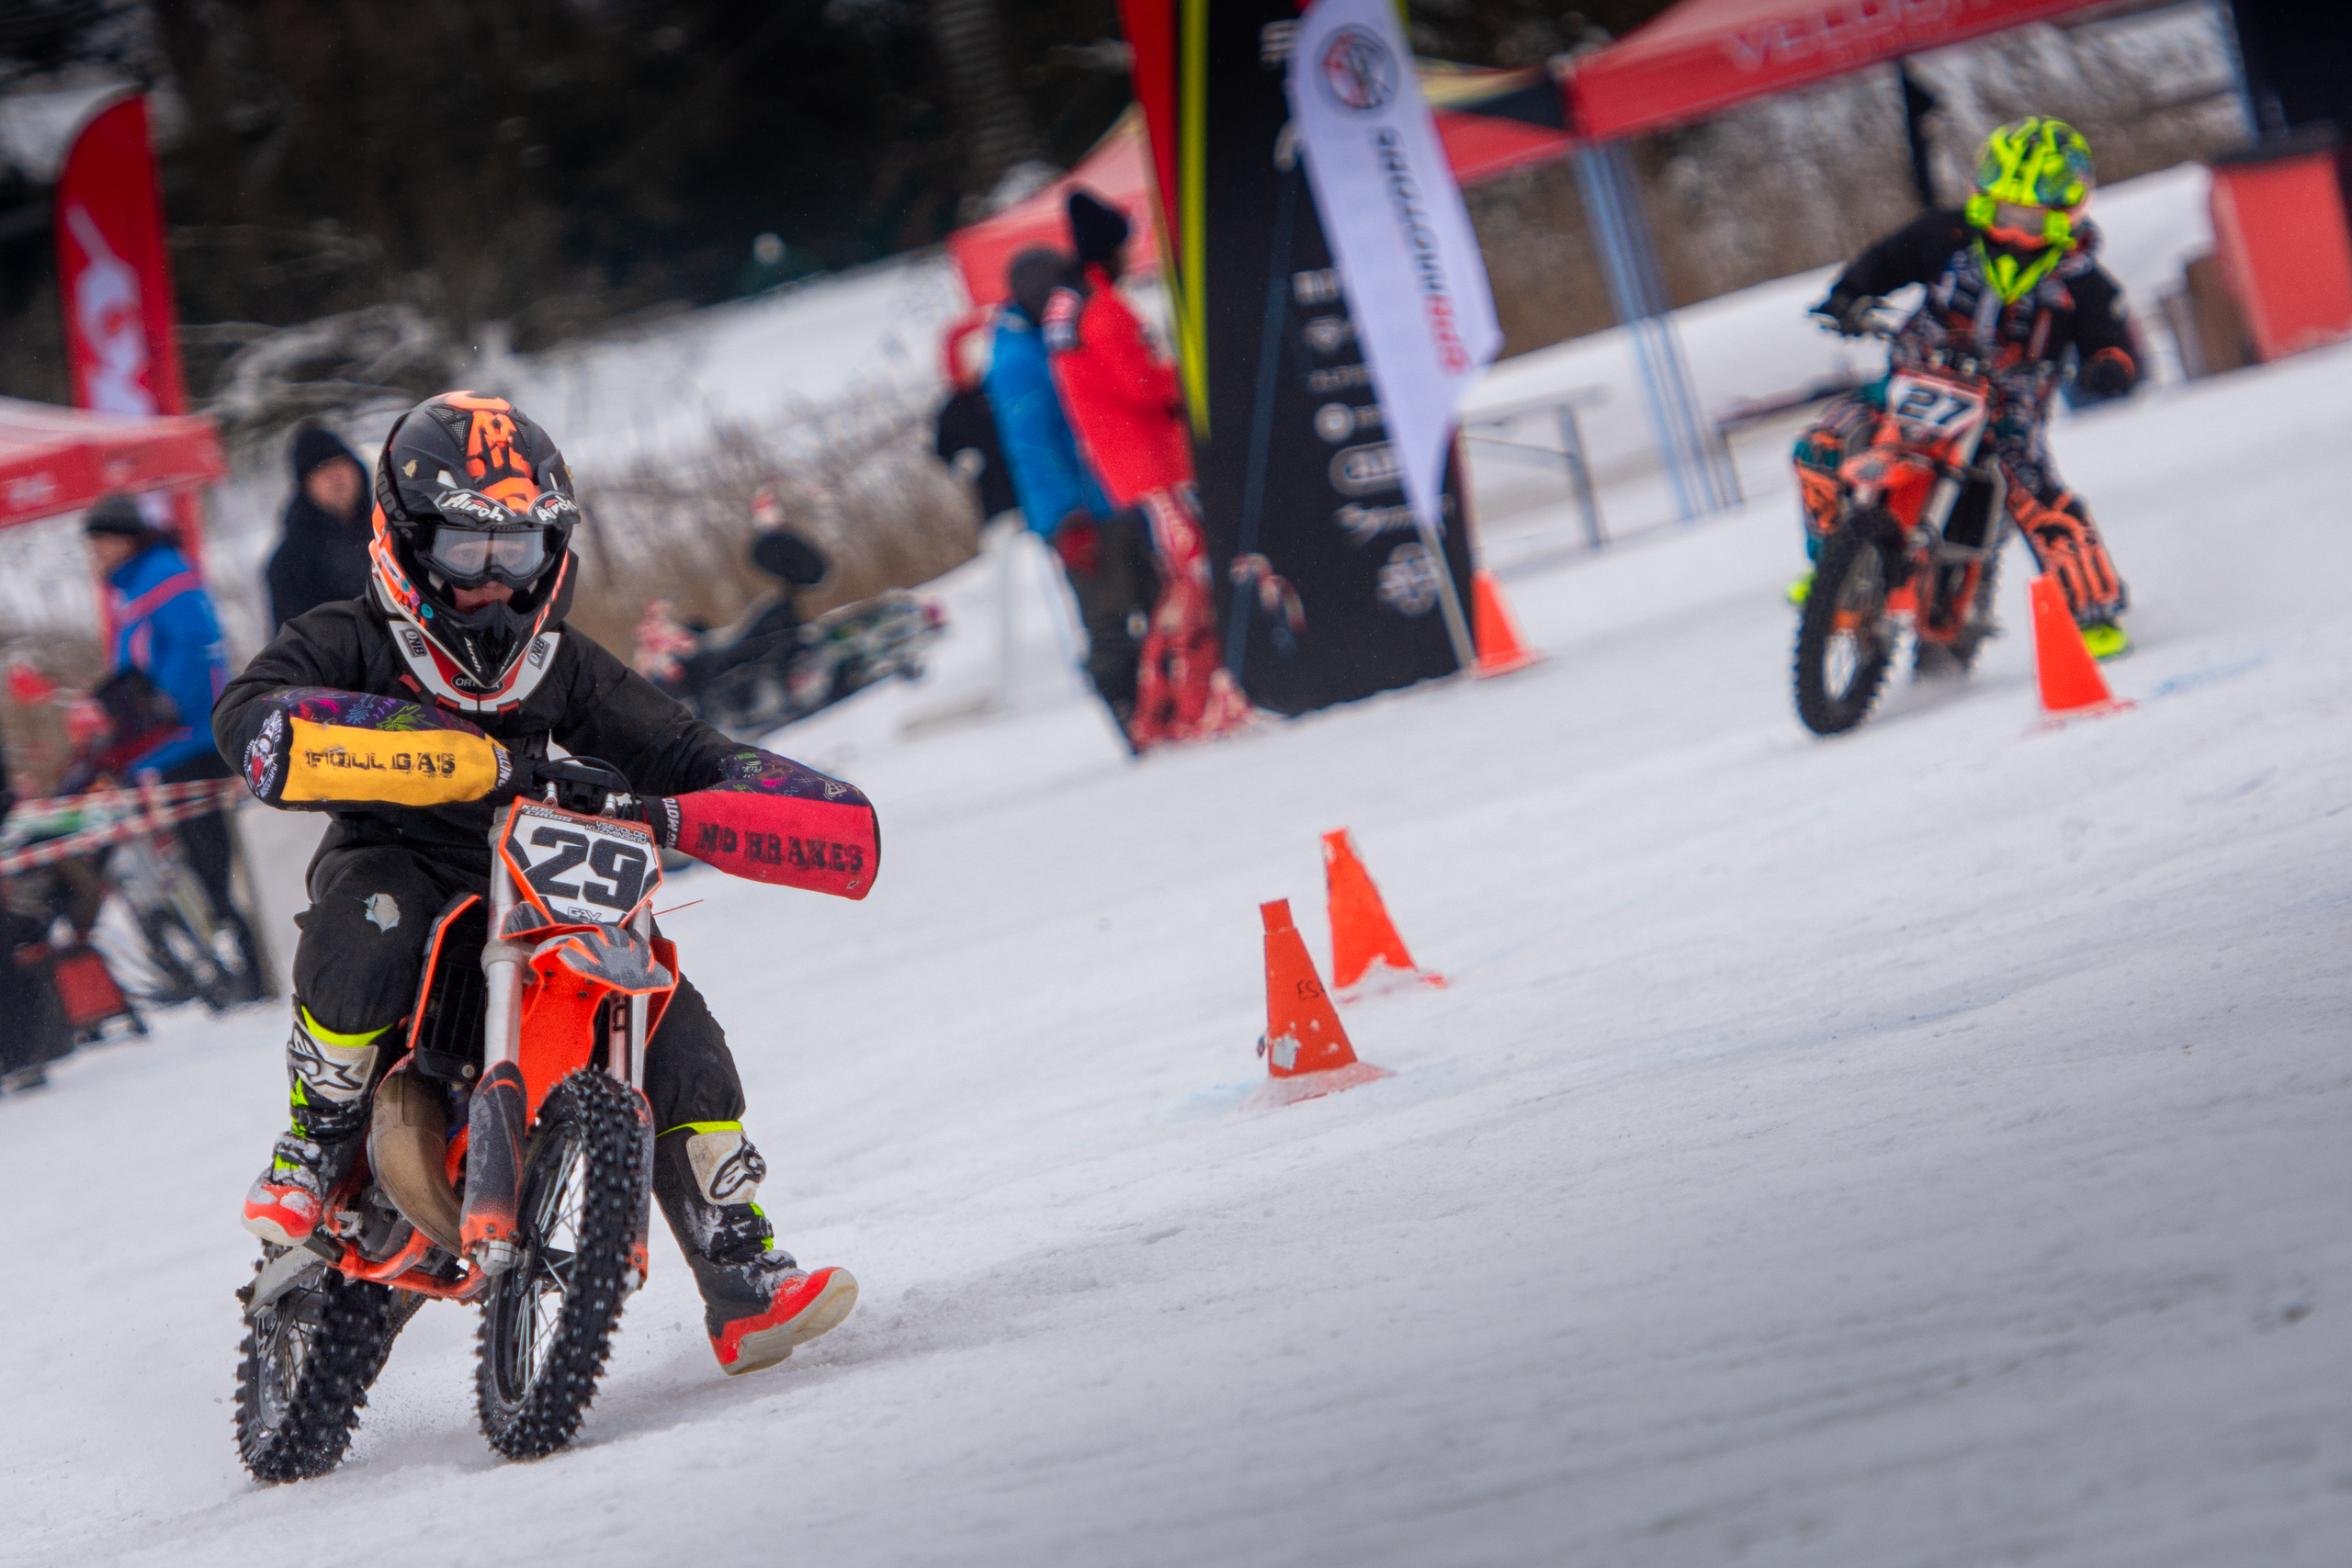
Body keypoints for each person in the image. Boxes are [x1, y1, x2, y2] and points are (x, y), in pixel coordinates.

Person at [218, 392, 873, 1375]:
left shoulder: (562, 666)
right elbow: (252, 715)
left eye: (516, 553)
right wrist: (447, 757)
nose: (490, 583)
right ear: (405, 538)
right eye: (466, 552)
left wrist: (694, 809)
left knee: (663, 1000)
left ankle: (739, 1263)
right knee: (377, 919)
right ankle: (316, 1139)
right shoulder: (347, 632)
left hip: (540, 871)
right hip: (399, 860)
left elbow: (687, 748)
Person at [1792, 117, 2137, 659]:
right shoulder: (1947, 236)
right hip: (1913, 379)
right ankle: (1831, 570)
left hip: (2006, 406)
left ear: (2067, 213)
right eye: (2004, 213)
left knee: (2039, 494)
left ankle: (2094, 609)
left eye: (2031, 218)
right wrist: (1848, 298)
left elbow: (2114, 337)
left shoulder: (2081, 279)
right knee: (1820, 444)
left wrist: (2109, 365)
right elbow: (1883, 264)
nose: (2014, 231)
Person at [1044, 189, 1248, 746]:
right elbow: (1140, 383)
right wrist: (1193, 379)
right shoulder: (1103, 307)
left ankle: (1170, 712)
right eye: (1126, 244)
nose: (1133, 254)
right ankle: (1186, 709)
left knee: (1183, 587)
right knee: (1194, 584)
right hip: (1154, 465)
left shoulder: (1069, 305)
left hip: (1127, 469)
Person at [83, 493, 262, 993]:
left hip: (195, 741)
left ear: (123, 538)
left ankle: (252, 956)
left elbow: (198, 647)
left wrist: (164, 709)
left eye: (100, 542)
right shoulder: (131, 586)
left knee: (218, 861)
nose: (95, 554)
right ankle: (240, 958)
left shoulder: (161, 573)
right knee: (202, 866)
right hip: (165, 749)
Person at [988, 246, 1158, 732]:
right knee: (1108, 624)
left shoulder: (1058, 332)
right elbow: (1032, 447)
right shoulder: (1016, 356)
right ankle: (1130, 717)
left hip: (1118, 492)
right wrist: (1066, 519)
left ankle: (1172, 703)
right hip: (1080, 514)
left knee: (1159, 601)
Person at [266, 426, 375, 631]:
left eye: (341, 462)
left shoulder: (394, 529)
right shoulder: (289, 564)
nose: (336, 475)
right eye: (322, 468)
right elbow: (293, 648)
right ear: (305, 485)